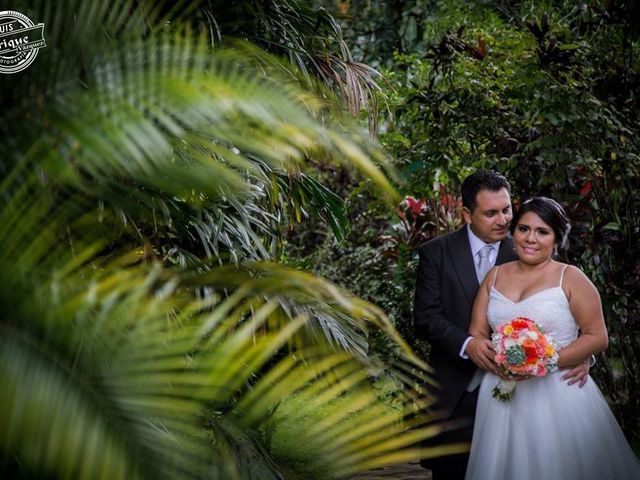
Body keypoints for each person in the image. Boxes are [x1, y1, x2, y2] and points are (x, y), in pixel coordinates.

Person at [413, 171, 589, 480]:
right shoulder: (436, 253)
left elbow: (570, 309)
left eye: (506, 209)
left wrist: (583, 355)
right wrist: (469, 344)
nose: (503, 220)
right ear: (467, 213)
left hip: (529, 397)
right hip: (458, 392)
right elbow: (425, 316)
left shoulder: (530, 245)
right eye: (491, 212)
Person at [465, 196, 640, 479]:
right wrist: (492, 354)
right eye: (523, 229)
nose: (530, 238)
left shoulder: (571, 278)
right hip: (501, 393)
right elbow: (477, 332)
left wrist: (542, 361)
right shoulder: (494, 276)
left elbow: (597, 337)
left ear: (557, 239)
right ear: (513, 233)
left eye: (542, 232)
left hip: (558, 392)